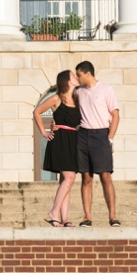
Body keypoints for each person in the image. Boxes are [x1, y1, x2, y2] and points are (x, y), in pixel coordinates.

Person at [74, 60, 121, 227]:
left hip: (101, 134)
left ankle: (113, 216)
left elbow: (115, 115)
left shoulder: (106, 89)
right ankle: (87, 217)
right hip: (83, 134)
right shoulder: (78, 91)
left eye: (79, 75)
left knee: (105, 176)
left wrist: (110, 137)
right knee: (86, 177)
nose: (77, 78)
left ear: (88, 73)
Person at [33, 69, 81, 227]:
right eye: (73, 76)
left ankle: (63, 218)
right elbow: (37, 111)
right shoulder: (56, 98)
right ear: (66, 80)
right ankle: (54, 212)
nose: (76, 77)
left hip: (73, 140)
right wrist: (44, 132)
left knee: (65, 181)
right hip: (60, 140)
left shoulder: (78, 99)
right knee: (70, 177)